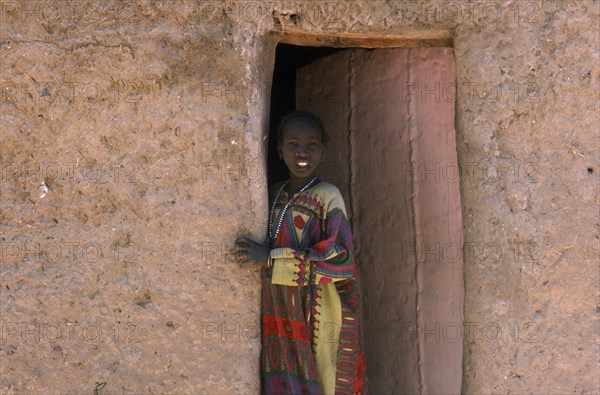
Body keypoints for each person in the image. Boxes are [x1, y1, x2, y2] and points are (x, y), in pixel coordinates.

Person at [235, 111, 367, 394]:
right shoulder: (273, 194)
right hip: (278, 311)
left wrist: (270, 258)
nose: (302, 152)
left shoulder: (328, 196)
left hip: (317, 314)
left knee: (323, 379)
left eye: (311, 145)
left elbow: (341, 258)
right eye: (293, 144)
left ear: (322, 150)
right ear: (280, 151)